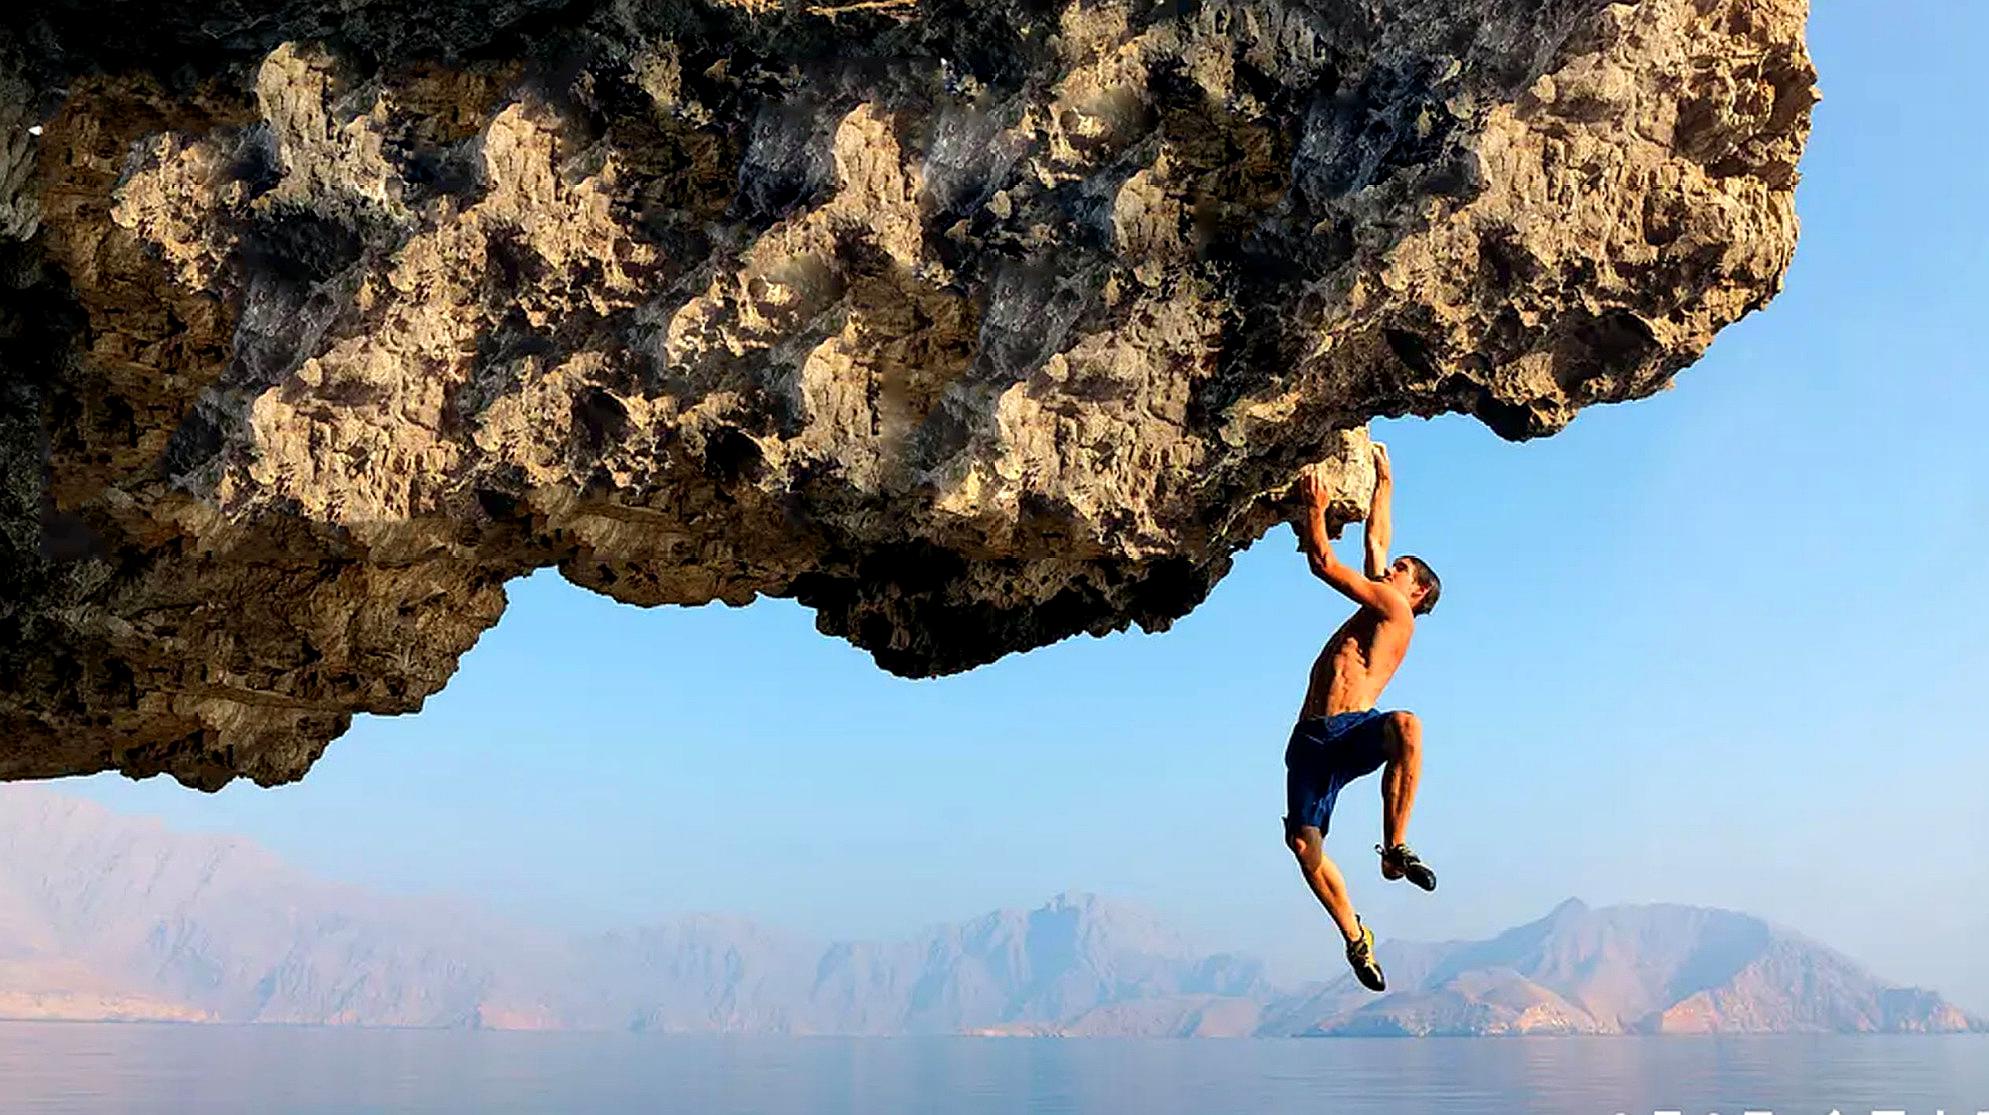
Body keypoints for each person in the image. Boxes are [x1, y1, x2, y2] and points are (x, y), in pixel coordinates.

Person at [1285, 442, 1442, 992]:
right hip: (1309, 739)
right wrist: (1384, 480)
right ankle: (1357, 938)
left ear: (1416, 591)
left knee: (1406, 725)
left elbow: (1324, 562)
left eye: (1400, 570)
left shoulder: (1396, 610)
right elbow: (1378, 541)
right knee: (1305, 848)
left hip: (1351, 730)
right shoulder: (1380, 599)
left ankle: (1395, 846)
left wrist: (1315, 510)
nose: (1388, 568)